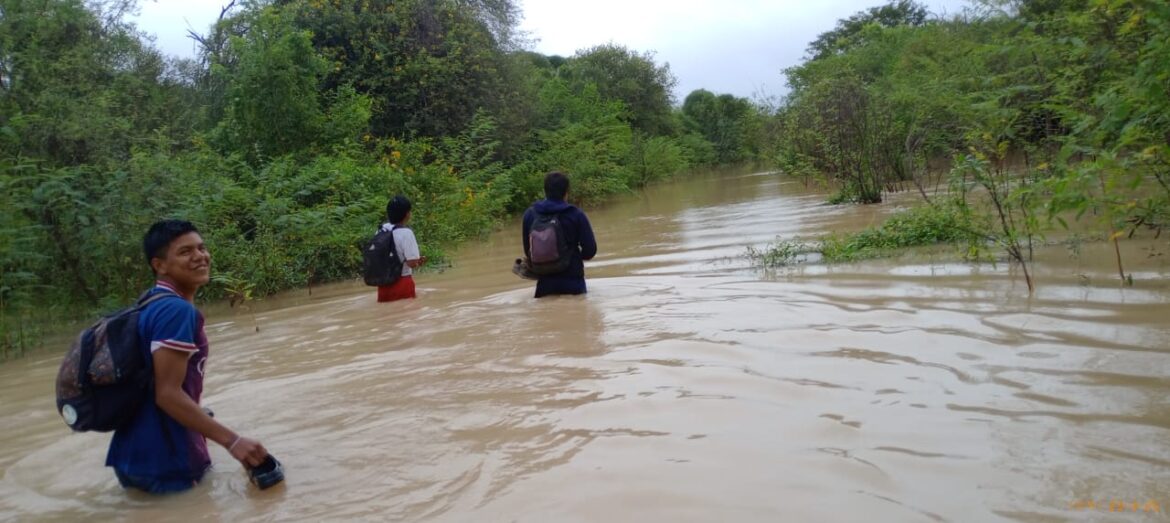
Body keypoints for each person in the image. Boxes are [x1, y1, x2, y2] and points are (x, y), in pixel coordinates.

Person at [105, 219, 269, 494]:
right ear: (160, 265)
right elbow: (167, 394)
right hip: (168, 459)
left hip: (134, 454)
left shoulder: (151, 301)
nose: (200, 256)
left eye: (202, 248)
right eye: (185, 252)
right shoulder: (176, 311)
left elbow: (154, 382)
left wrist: (199, 416)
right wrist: (233, 441)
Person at [522, 171, 597, 298]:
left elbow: (528, 250)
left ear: (545, 190)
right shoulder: (576, 214)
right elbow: (590, 250)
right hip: (573, 281)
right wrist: (574, 256)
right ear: (566, 192)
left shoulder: (530, 214)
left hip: (544, 284)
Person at [377, 195, 426, 302]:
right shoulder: (406, 233)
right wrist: (418, 262)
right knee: (409, 316)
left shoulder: (382, 230)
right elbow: (411, 263)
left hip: (383, 285)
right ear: (407, 214)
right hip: (402, 282)